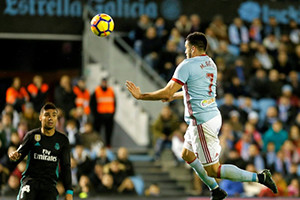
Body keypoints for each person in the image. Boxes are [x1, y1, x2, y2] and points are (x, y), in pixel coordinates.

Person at [126, 32, 278, 200]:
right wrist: (174, 96)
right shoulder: (210, 63)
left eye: (185, 49)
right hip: (210, 115)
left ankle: (260, 177)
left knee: (214, 170)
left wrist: (142, 96)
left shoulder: (187, 65)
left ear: (192, 48)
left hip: (202, 122)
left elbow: (168, 90)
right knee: (186, 154)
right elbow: (196, 91)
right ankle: (215, 190)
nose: (184, 52)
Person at [8, 102, 73, 200]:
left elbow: (66, 167)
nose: (50, 118)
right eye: (47, 115)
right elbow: (19, 155)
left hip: (49, 184)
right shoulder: (31, 136)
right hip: (30, 181)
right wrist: (14, 156)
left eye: (54, 115)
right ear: (40, 117)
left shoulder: (62, 140)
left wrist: (69, 192)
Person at [90, 78, 116, 148]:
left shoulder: (111, 91)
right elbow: (92, 104)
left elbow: (114, 103)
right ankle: (97, 146)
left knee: (109, 133)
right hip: (99, 116)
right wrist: (95, 115)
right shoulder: (96, 91)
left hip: (109, 116)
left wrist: (112, 114)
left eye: (105, 82)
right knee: (97, 132)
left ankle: (108, 146)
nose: (104, 83)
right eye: (103, 82)